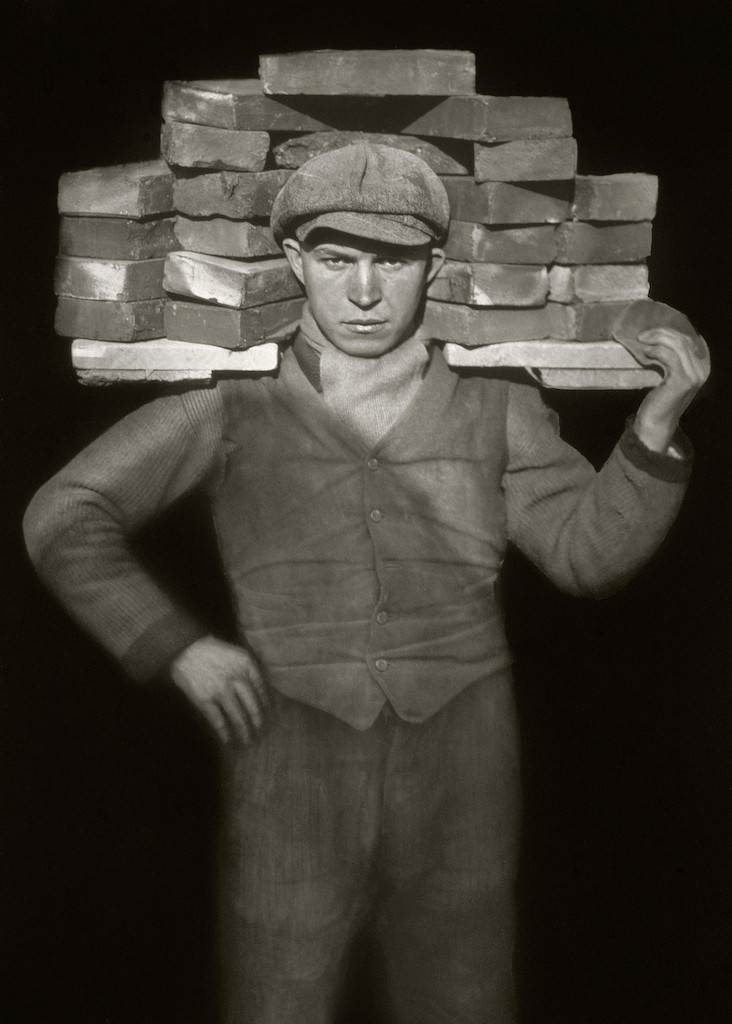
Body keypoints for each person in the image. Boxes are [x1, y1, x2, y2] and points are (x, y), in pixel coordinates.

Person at [23, 143, 709, 1024]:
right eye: (338, 260)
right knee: (280, 992)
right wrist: (176, 646)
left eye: (392, 261)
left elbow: (588, 557)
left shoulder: (498, 405)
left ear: (435, 267)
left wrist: (653, 430)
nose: (363, 292)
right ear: (296, 262)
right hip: (290, 758)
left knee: (460, 996)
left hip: (463, 759)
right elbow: (64, 512)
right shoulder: (234, 402)